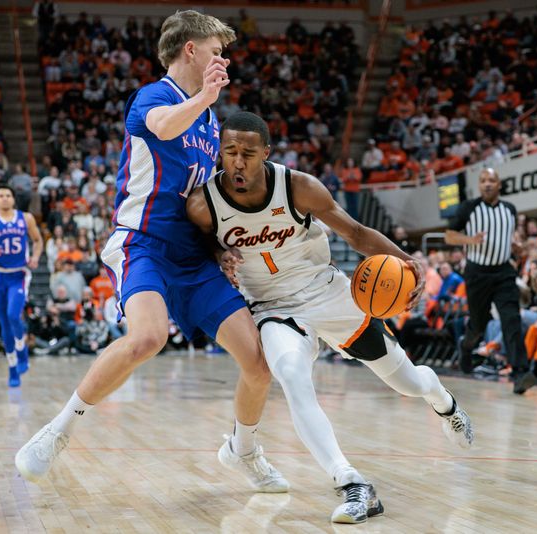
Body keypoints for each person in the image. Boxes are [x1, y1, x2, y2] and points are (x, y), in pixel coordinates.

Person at [15, 11, 287, 493]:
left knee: (259, 363)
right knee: (147, 338)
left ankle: (243, 449)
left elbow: (207, 199)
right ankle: (58, 430)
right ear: (191, 50)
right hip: (145, 245)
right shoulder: (155, 96)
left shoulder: (208, 120)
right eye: (215, 49)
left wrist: (220, 245)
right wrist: (205, 96)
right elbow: (161, 128)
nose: (221, 58)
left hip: (194, 258)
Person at [187, 112, 474, 524]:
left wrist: (408, 261)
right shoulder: (203, 205)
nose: (237, 162)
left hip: (329, 294)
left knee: (409, 382)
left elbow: (356, 234)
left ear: (265, 154)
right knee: (289, 374)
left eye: (248, 154)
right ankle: (350, 482)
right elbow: (199, 246)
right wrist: (219, 254)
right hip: (273, 309)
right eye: (229, 151)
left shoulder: (298, 187)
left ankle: (445, 404)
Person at [445, 168, 536, 394]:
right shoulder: (469, 207)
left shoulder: (510, 209)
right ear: (479, 185)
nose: (487, 184)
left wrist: (516, 245)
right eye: (483, 180)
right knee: (479, 323)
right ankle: (466, 346)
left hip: (504, 271)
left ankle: (520, 373)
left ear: (499, 184)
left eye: (491, 180)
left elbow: (511, 236)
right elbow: (449, 235)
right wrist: (470, 240)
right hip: (477, 273)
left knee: (511, 320)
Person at [0, 185, 43, 387]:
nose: (5, 198)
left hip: (19, 275)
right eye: (0, 195)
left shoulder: (26, 218)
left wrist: (35, 256)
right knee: (4, 322)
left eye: (8, 195)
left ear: (13, 199)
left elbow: (37, 240)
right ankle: (12, 369)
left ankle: (22, 349)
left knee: (12, 314)